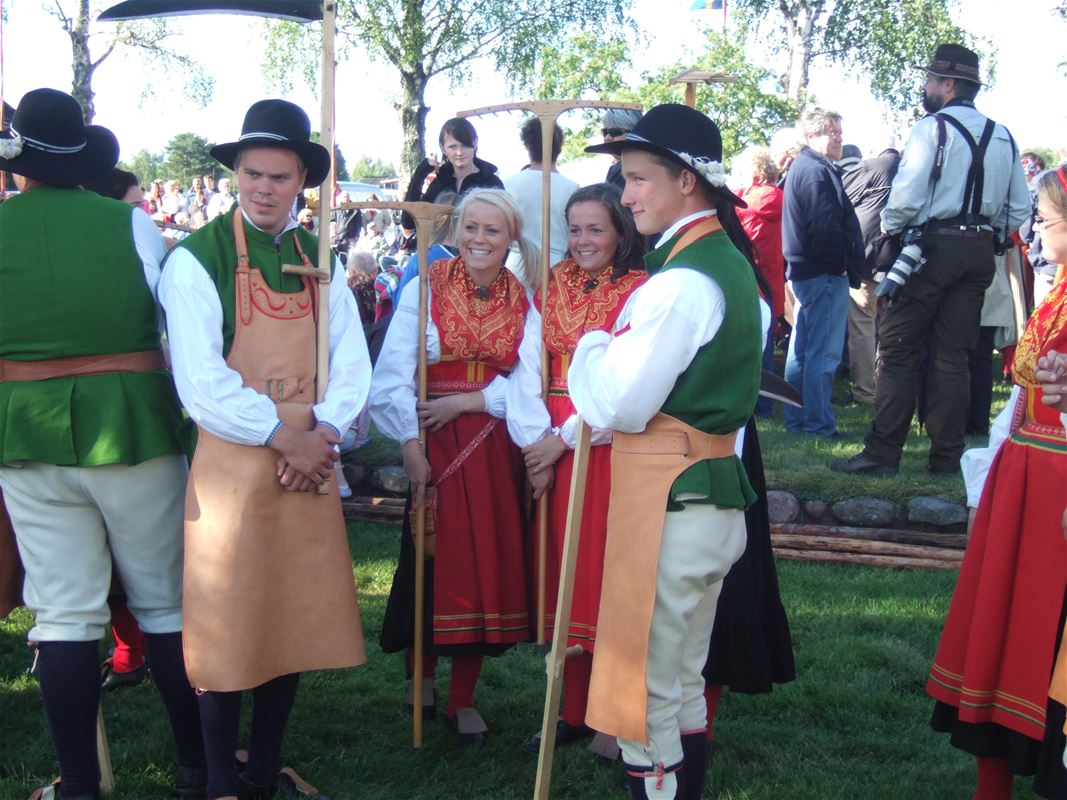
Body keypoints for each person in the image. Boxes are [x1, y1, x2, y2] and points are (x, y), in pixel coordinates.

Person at [158, 98, 369, 800]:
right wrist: (284, 435)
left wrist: (326, 433)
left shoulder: (321, 260)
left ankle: (260, 770)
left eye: (280, 177)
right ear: (235, 175)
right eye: (253, 174)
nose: (265, 188)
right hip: (233, 461)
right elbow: (201, 382)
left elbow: (350, 362)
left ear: (301, 184)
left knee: (292, 619)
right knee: (227, 625)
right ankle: (219, 780)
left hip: (309, 455)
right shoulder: (196, 260)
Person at [0, 87, 206, 800]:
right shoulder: (131, 226)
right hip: (133, 430)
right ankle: (197, 769)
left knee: (61, 613)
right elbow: (179, 330)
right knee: (167, 604)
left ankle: (79, 786)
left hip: (27, 437)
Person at [573, 103, 763, 800]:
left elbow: (618, 404)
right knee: (679, 680)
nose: (625, 197)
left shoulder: (682, 283)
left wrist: (591, 348)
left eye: (636, 178)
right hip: (701, 498)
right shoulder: (723, 263)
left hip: (672, 503)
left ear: (686, 181)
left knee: (647, 687)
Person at [370, 188, 538, 747]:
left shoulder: (526, 300)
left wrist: (471, 402)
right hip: (433, 441)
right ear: (456, 230)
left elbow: (528, 382)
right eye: (470, 227)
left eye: (492, 231)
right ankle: (420, 680)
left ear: (511, 238)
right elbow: (393, 372)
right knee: (430, 562)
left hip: (493, 445)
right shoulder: (425, 286)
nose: (479, 240)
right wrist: (408, 443)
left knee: (484, 568)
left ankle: (463, 696)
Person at [926, 165, 1067, 800]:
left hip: (1059, 489)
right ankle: (992, 784)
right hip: (1026, 475)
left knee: (1045, 635)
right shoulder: (1058, 284)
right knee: (1004, 629)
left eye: (1048, 215)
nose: (1036, 223)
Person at [833, 43, 1030, 477]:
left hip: (928, 250)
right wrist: (992, 236)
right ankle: (945, 457)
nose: (925, 87)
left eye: (930, 80)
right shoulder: (1002, 135)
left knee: (899, 351)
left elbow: (904, 200)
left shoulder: (931, 129)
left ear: (947, 84)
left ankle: (882, 454)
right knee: (953, 356)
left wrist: (891, 230)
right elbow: (1019, 208)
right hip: (978, 253)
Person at [505, 182, 648, 754]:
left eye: (597, 229)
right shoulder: (550, 285)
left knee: (603, 579)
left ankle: (611, 715)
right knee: (562, 579)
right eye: (576, 228)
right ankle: (568, 708)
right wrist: (536, 441)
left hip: (605, 441)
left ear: (620, 232)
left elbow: (626, 382)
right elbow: (525, 363)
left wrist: (565, 440)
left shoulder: (641, 290)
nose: (584, 240)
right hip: (553, 434)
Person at [781, 108, 863, 438]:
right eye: (832, 131)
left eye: (840, 131)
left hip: (808, 271)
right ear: (812, 135)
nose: (839, 137)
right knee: (821, 354)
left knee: (802, 350)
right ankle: (817, 424)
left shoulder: (806, 167)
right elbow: (823, 226)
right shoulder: (815, 171)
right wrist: (839, 264)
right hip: (822, 272)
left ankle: (799, 421)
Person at [840, 144, 901, 405]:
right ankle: (889, 388)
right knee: (891, 326)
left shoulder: (872, 166)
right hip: (901, 262)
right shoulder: (914, 171)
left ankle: (865, 391)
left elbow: (839, 197)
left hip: (868, 259)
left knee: (863, 325)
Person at [732, 146, 785, 418]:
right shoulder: (778, 198)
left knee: (751, 341)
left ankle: (752, 402)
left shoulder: (743, 201)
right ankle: (763, 404)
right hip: (770, 275)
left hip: (747, 275)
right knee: (764, 340)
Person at [401, 118, 504, 242]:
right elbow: (408, 222)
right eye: (452, 147)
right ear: (443, 148)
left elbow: (502, 228)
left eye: (465, 145)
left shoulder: (492, 184)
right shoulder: (440, 183)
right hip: (440, 257)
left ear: (475, 142)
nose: (459, 152)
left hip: (479, 255)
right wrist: (421, 172)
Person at [503, 115, 579, 270]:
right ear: (559, 146)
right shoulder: (572, 188)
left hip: (517, 266)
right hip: (557, 266)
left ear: (527, 145)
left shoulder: (508, 184)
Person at [599, 108, 642, 189]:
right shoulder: (613, 169)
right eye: (605, 132)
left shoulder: (648, 167)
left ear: (634, 133)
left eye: (615, 132)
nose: (607, 138)